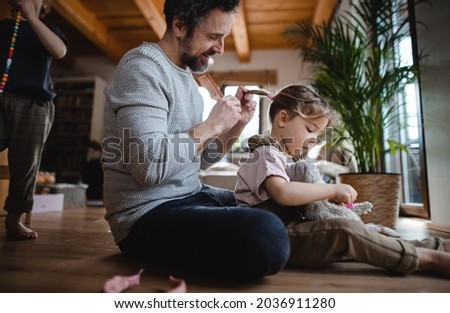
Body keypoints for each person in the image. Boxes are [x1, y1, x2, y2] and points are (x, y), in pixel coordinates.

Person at [101, 0, 290, 280]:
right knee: (267, 234)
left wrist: (235, 126)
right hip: (144, 217)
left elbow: (198, 160)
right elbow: (149, 167)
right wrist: (212, 124)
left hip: (190, 196)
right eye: (214, 36)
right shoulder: (142, 68)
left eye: (223, 37)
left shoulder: (189, 78)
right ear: (179, 25)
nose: (221, 48)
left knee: (279, 203)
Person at [235, 84, 450, 278]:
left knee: (366, 235)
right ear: (282, 119)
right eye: (310, 130)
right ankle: (427, 259)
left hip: (287, 230)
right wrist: (331, 190)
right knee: (345, 230)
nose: (312, 140)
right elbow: (283, 193)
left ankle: (432, 245)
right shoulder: (265, 153)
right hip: (273, 238)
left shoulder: (282, 158)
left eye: (317, 135)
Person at [0, 0, 67, 240]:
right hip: (3, 96)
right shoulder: (5, 27)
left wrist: (32, 18)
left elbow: (59, 51)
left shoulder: (51, 31)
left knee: (26, 164)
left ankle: (14, 218)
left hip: (35, 105)